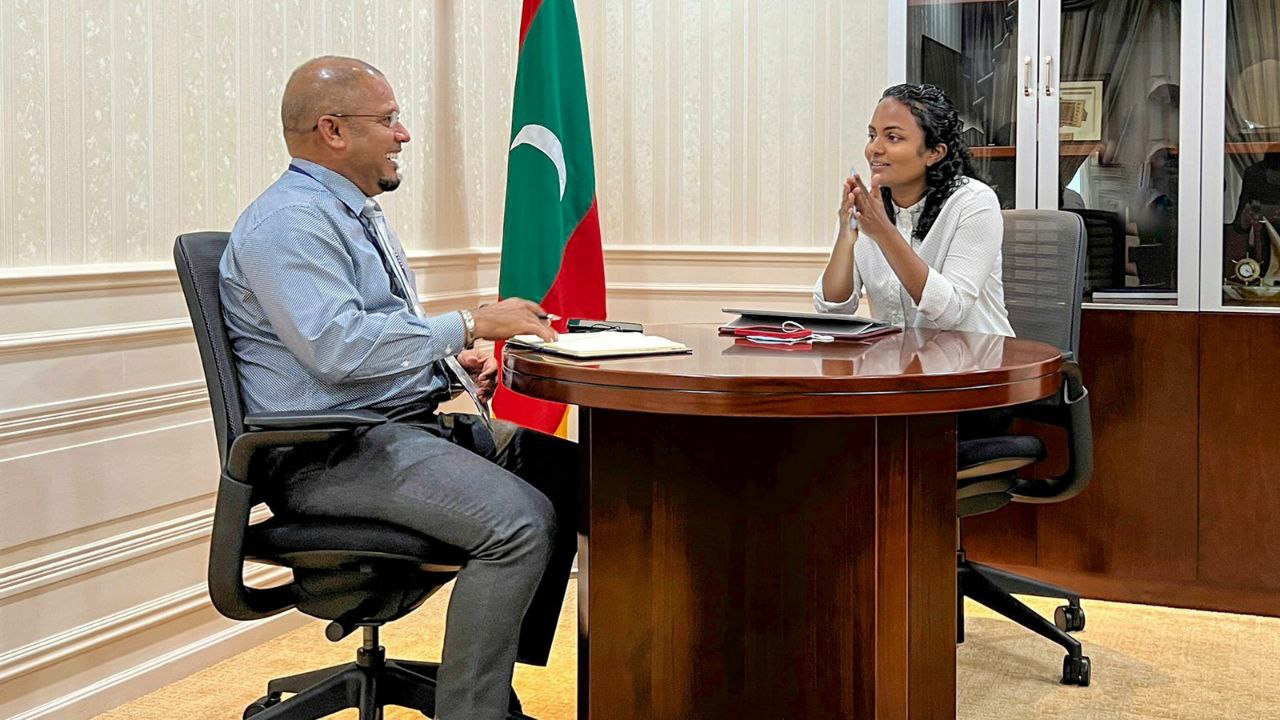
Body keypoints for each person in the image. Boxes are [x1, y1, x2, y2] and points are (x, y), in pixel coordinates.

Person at [219, 56, 576, 720]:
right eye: (388, 120)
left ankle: (502, 679)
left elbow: (366, 345)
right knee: (519, 523)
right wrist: (468, 323)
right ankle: (475, 713)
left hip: (389, 430)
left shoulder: (350, 213)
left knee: (584, 481)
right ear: (333, 131)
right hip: (327, 454)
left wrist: (449, 366)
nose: (403, 134)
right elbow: (337, 350)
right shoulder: (291, 223)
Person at [814, 83, 1013, 338]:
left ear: (935, 152)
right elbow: (834, 310)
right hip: (901, 360)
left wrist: (884, 233)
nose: (875, 148)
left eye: (893, 137)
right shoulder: (868, 204)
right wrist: (846, 234)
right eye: (872, 135)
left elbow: (951, 312)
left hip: (979, 358)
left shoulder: (974, 202)